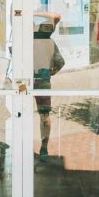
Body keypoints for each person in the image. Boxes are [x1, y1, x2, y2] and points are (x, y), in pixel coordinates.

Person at [33, 14, 65, 161]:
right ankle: (44, 147)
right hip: (43, 80)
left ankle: (29, 146)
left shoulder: (25, 40)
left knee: (24, 114)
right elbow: (60, 62)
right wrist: (51, 72)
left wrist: (35, 12)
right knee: (44, 116)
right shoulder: (50, 42)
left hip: (27, 81)